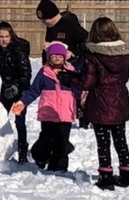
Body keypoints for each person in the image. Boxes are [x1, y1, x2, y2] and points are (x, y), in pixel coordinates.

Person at [79, 16, 129, 191]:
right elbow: (125, 77)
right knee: (120, 140)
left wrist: (71, 79)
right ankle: (126, 175)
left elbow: (87, 82)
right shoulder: (124, 54)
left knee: (103, 143)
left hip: (100, 103)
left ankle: (106, 177)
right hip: (120, 101)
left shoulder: (93, 56)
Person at [11, 41, 79, 172]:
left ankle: (59, 168)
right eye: (54, 55)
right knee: (46, 140)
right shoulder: (44, 73)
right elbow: (33, 91)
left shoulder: (72, 72)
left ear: (65, 57)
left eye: (60, 55)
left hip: (65, 115)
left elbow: (79, 90)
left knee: (62, 142)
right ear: (49, 57)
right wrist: (22, 103)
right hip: (47, 115)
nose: (57, 57)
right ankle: (40, 156)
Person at [0, 21, 32, 163]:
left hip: (19, 92)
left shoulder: (18, 51)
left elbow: (26, 74)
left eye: (6, 36)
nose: (4, 40)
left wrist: (16, 87)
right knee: (0, 121)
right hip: (3, 92)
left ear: (11, 36)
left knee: (20, 122)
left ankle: (22, 152)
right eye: (1, 36)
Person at [35, 0, 88, 65]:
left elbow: (87, 40)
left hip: (70, 65)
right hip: (54, 66)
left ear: (53, 16)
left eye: (45, 20)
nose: (44, 23)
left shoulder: (69, 24)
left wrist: (74, 52)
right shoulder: (51, 27)